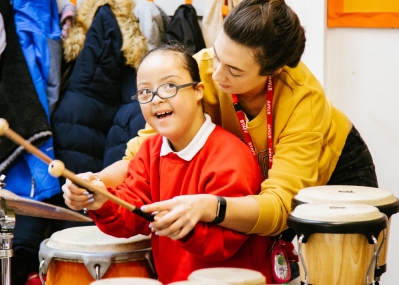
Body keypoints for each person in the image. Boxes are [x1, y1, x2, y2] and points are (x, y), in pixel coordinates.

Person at [67, 0, 378, 270]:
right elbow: (143, 153)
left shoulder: (304, 100)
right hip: (254, 179)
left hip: (335, 173)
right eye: (217, 55)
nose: (216, 74)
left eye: (235, 70)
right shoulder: (200, 71)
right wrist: (94, 184)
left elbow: (281, 208)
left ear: (273, 71)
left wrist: (209, 206)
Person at [62, 42, 273, 284]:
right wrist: (101, 201)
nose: (156, 99)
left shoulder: (230, 155)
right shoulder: (150, 151)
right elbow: (131, 214)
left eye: (169, 86)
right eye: (145, 92)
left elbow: (223, 243)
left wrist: (184, 225)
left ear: (198, 91)